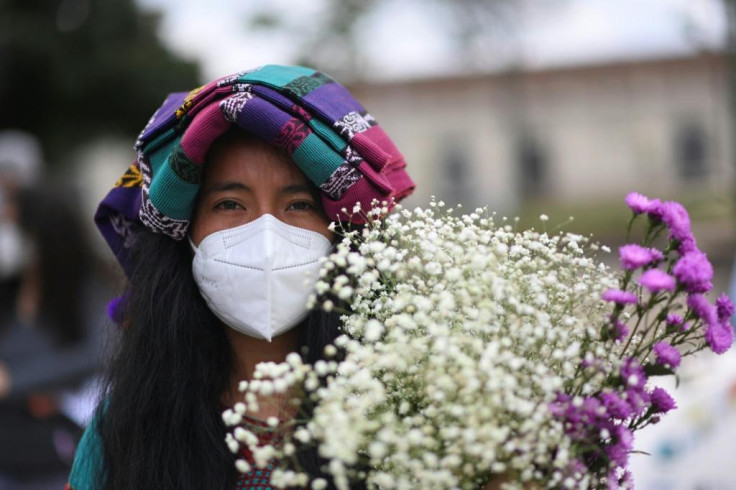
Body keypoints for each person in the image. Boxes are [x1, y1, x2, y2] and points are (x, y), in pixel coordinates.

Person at [66, 64, 414, 489]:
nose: (266, 236)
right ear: (185, 232)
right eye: (230, 204)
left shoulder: (406, 411)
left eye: (299, 205)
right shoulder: (127, 426)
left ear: (340, 232)